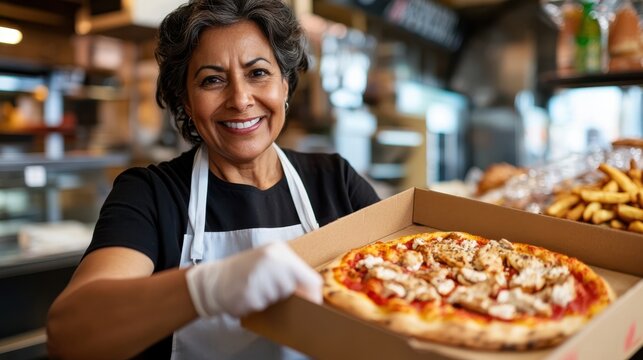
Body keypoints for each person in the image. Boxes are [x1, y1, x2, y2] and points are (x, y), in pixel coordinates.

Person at [46, 0, 380, 359]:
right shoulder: (152, 195)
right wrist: (209, 288)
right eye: (212, 80)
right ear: (186, 102)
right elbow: (69, 336)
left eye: (258, 73)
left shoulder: (336, 182)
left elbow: (400, 294)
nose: (239, 99)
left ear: (284, 84)